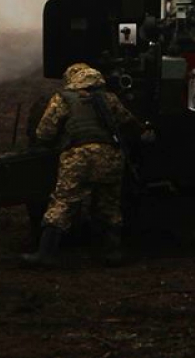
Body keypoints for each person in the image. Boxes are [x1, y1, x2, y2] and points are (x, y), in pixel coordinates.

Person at [22, 62, 141, 268]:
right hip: (110, 155)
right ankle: (112, 252)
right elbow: (129, 122)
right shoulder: (110, 98)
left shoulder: (64, 99)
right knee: (109, 205)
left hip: (79, 156)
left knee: (63, 203)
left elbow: (44, 132)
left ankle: (45, 253)